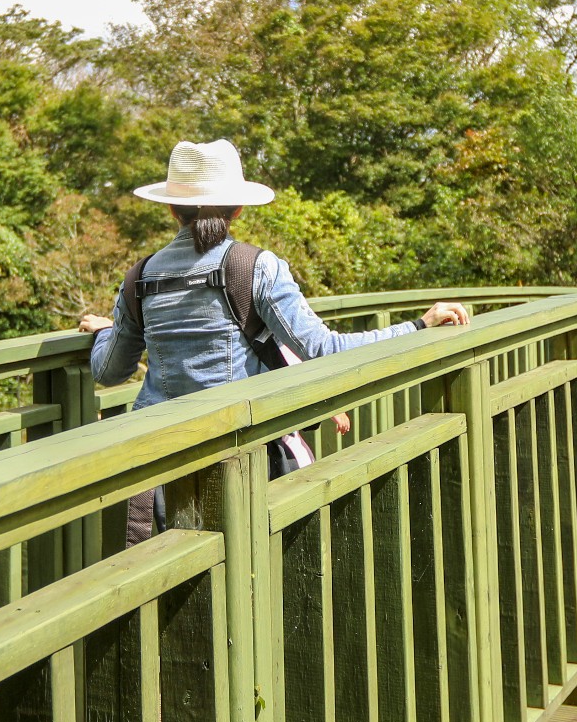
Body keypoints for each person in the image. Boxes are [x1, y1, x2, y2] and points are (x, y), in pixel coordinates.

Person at [80, 139, 470, 524]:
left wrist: (104, 332)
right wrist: (420, 325)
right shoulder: (255, 267)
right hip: (240, 463)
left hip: (164, 471)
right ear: (238, 208)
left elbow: (109, 371)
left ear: (170, 208)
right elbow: (324, 348)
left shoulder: (140, 278)